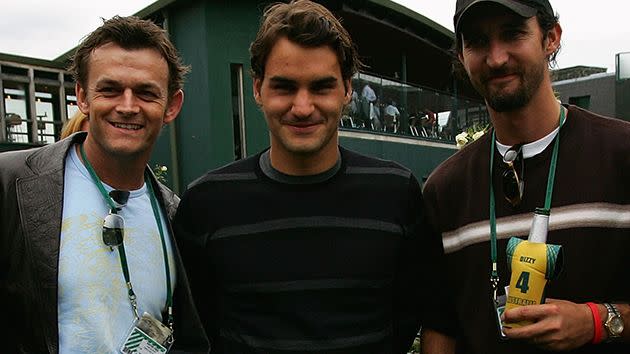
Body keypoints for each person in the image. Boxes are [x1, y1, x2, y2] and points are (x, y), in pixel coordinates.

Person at [173, 1, 450, 353]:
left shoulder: (397, 193)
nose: (302, 107)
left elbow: (433, 316)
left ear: (347, 90)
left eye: (321, 87)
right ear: (257, 89)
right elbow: (193, 338)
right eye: (284, 87)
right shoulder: (206, 203)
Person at [421, 0, 630, 353]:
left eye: (512, 34)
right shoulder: (445, 189)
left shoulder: (621, 155)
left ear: (551, 37)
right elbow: (441, 327)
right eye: (477, 42)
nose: (497, 58)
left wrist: (599, 321)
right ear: (461, 55)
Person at [0, 16, 209, 353]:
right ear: (82, 97)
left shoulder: (177, 216)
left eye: (145, 93)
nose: (127, 107)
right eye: (110, 89)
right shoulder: (12, 185)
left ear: (172, 106)